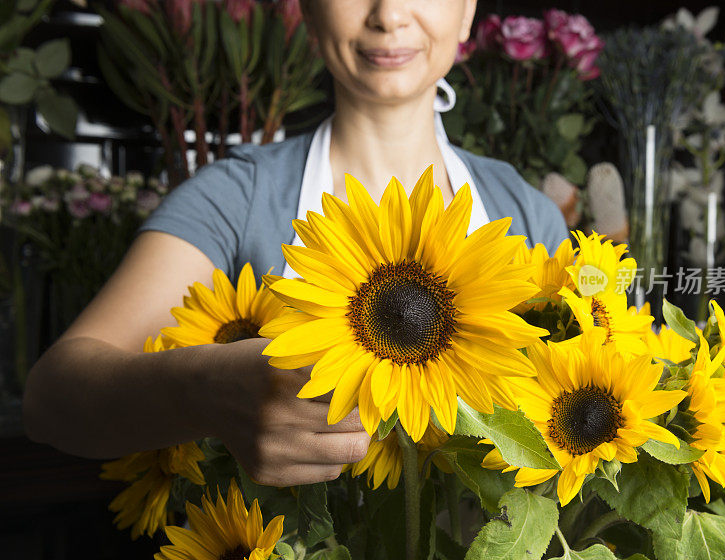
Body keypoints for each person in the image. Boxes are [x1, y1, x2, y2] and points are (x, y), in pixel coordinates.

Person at [22, 0, 568, 487]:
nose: (389, 15)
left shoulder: (528, 214)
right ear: (305, 11)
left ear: (468, 10)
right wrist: (207, 390)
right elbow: (50, 399)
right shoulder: (236, 197)